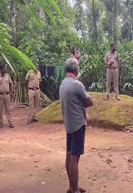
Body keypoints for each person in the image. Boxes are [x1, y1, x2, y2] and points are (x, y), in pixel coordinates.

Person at [60, 58, 93, 193]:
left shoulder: (63, 84)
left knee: (69, 156)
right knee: (74, 158)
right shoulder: (76, 84)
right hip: (78, 124)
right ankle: (74, 190)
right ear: (76, 69)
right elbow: (89, 102)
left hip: (69, 123)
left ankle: (72, 186)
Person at [0, 63, 14, 128]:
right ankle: (1, 122)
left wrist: (11, 92)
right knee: (0, 110)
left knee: (8, 109)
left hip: (7, 94)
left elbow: (11, 84)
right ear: (1, 69)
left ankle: (10, 122)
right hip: (0, 95)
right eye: (5, 68)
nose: (6, 69)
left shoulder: (7, 76)